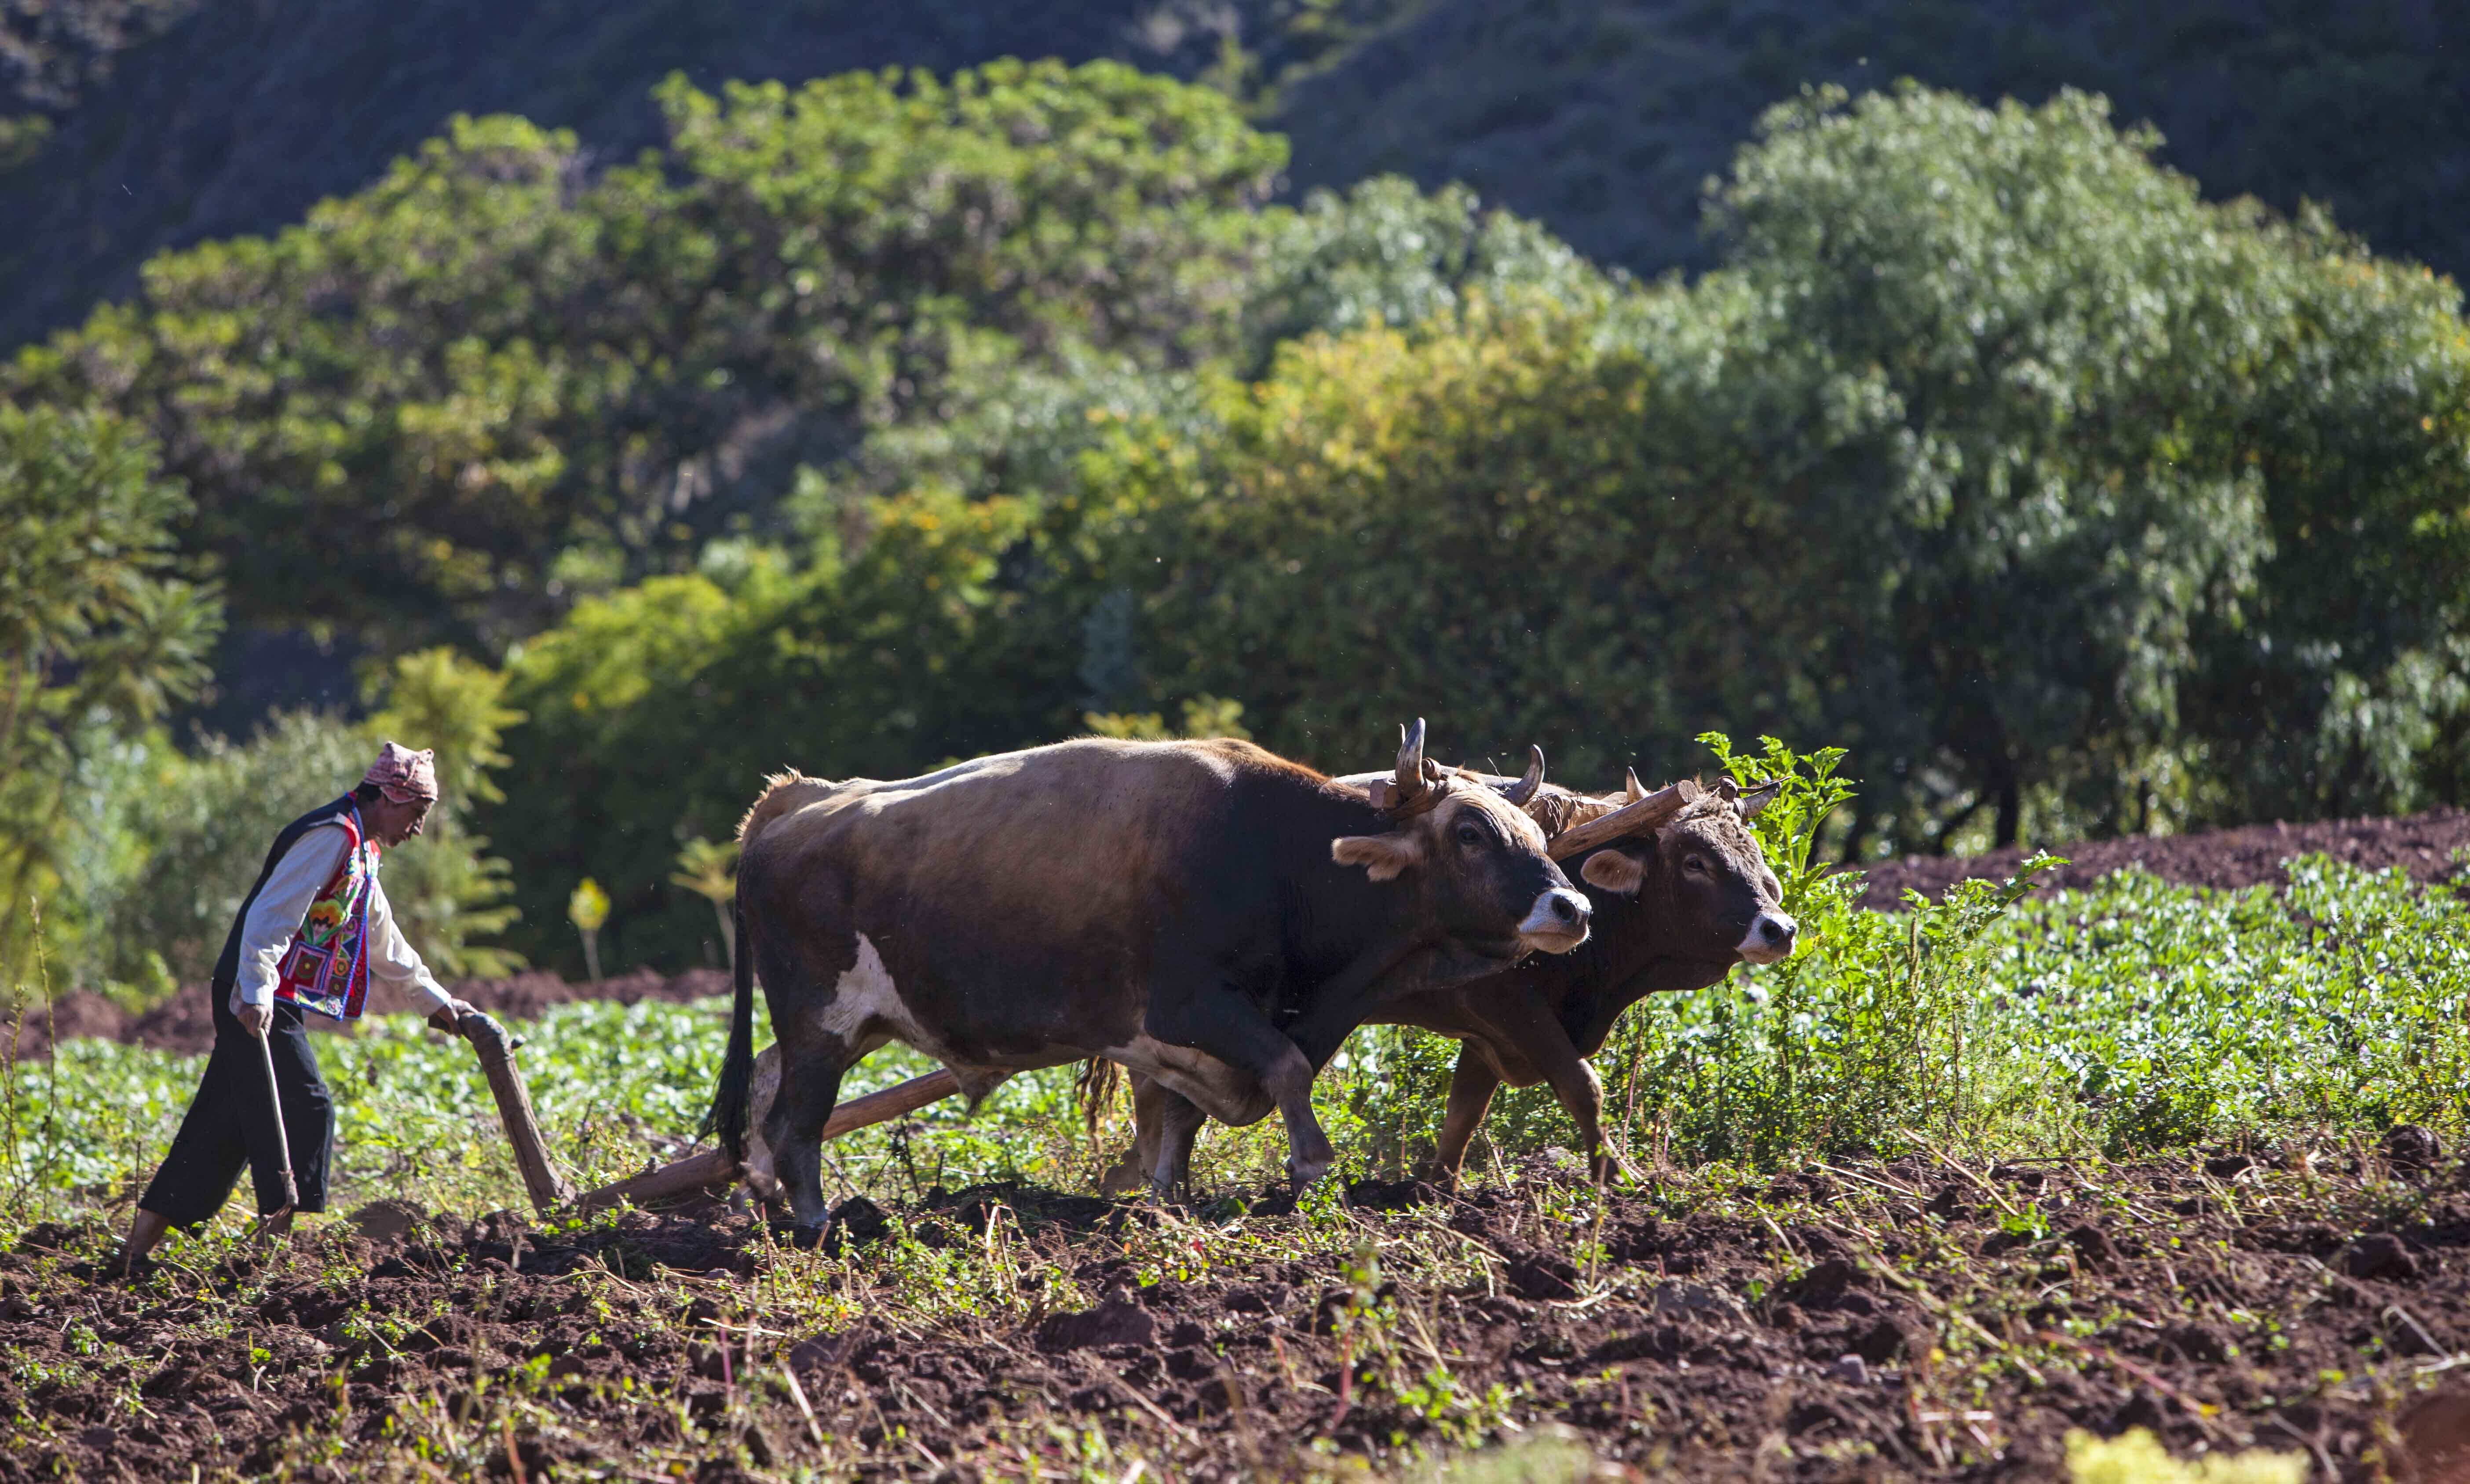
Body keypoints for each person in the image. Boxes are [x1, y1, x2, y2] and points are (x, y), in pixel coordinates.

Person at [120, 742, 485, 1271]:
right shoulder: (332, 835)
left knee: (217, 1127)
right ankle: (271, 1256)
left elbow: (382, 938)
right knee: (304, 1107)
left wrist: (435, 1000)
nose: (419, 827)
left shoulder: (362, 849)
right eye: (418, 812)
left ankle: (134, 1254)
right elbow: (272, 914)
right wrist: (257, 991)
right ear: (388, 796)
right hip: (254, 995)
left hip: (264, 994)